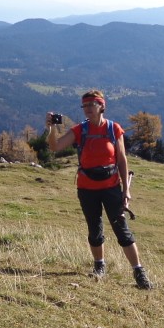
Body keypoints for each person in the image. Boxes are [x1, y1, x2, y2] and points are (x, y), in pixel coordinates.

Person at [45, 90, 153, 289]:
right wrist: (51, 128)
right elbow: (55, 147)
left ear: (101, 106)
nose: (87, 109)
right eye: (84, 106)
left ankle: (139, 272)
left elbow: (121, 159)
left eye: (91, 105)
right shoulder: (80, 130)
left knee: (122, 230)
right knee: (95, 230)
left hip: (111, 188)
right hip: (87, 189)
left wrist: (126, 189)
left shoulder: (114, 129)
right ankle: (99, 266)